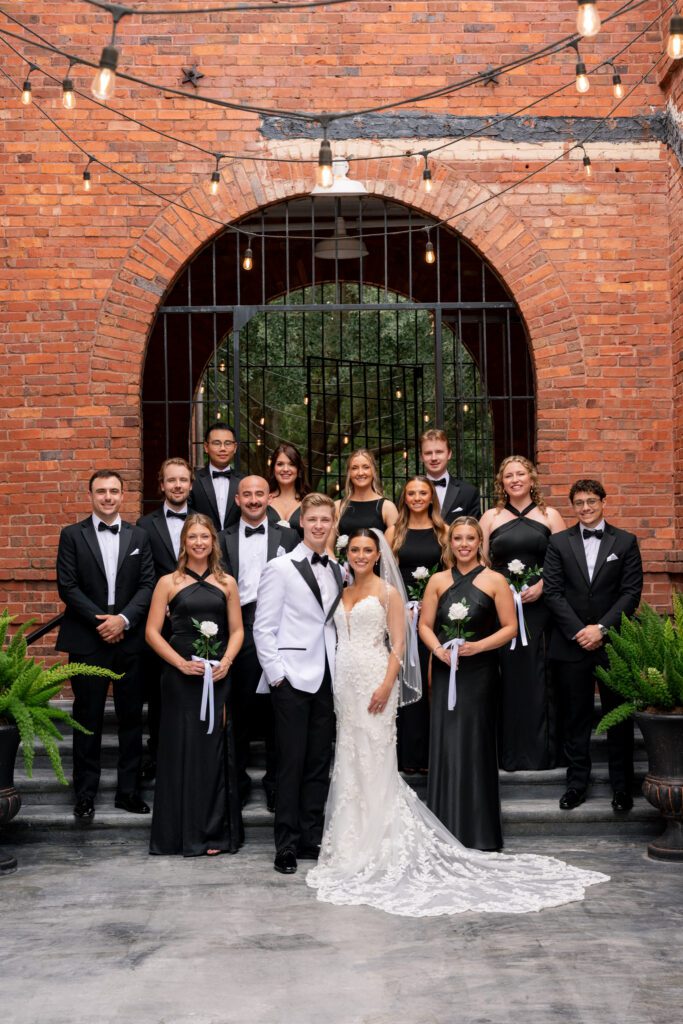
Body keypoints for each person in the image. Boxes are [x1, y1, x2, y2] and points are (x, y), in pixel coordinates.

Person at [307, 527, 609, 917]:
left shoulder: (389, 592)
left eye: (368, 549)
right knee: (350, 759)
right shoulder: (343, 592)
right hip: (346, 685)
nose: (361, 555)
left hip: (378, 679)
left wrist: (387, 685)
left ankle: (383, 840)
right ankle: (350, 841)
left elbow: (399, 644)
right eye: (355, 549)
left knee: (375, 757)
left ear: (378, 554)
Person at [55, 470, 156, 820]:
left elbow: (148, 584)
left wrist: (123, 620)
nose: (108, 497)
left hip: (129, 639)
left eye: (114, 491)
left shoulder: (139, 535)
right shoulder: (71, 535)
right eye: (102, 491)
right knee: (87, 719)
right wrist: (103, 621)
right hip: (88, 638)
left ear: (122, 495)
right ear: (91, 495)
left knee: (131, 719)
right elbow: (67, 587)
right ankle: (84, 794)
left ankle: (128, 793)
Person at [253, 492, 343, 875]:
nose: (320, 526)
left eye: (326, 520)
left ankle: (310, 838)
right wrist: (277, 677)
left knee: (318, 764)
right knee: (290, 763)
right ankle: (285, 845)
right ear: (302, 522)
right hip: (291, 677)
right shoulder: (281, 567)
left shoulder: (340, 568)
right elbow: (263, 627)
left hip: (329, 676)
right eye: (314, 520)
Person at [146, 513, 244, 856]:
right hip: (179, 677)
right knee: (181, 749)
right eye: (193, 537)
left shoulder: (227, 582)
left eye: (205, 537)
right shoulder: (168, 583)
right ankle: (180, 834)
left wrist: (227, 663)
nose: (199, 542)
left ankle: (214, 833)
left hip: (217, 676)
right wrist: (179, 664)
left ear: (213, 541)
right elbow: (152, 633)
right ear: (184, 542)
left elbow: (237, 631)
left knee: (213, 750)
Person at [543, 480, 643, 813]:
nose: (585, 508)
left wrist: (600, 629)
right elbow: (553, 592)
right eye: (579, 503)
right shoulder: (558, 542)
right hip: (571, 645)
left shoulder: (625, 542)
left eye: (591, 501)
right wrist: (579, 631)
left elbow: (631, 593)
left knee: (617, 719)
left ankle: (622, 788)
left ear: (603, 502)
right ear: (573, 506)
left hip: (612, 643)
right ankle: (576, 785)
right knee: (576, 718)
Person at [420, 517, 516, 851]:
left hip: (481, 672)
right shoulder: (436, 580)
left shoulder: (495, 581)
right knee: (446, 743)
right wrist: (437, 651)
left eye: (470, 538)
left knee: (475, 743)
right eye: (457, 538)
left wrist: (479, 646)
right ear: (450, 543)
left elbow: (510, 628)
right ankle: (445, 829)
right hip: (447, 669)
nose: (463, 544)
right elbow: (425, 625)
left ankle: (479, 831)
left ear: (479, 543)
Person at [479, 456, 566, 771]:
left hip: (539, 608)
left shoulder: (550, 516)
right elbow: (481, 563)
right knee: (505, 677)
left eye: (520, 474)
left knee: (538, 676)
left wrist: (542, 586)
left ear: (532, 479)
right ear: (501, 482)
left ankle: (542, 753)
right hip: (501, 611)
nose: (514, 480)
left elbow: (564, 562)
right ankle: (508, 754)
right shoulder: (490, 517)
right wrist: (500, 591)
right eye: (508, 476)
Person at [218, 475, 299, 810]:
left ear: (270, 498)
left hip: (280, 628)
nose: (253, 500)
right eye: (247, 495)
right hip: (240, 625)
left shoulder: (290, 536)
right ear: (237, 500)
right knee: (238, 709)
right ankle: (236, 783)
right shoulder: (222, 538)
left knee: (278, 709)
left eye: (259, 494)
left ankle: (275, 784)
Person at [137, 457, 194, 779]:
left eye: (183, 480)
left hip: (198, 620)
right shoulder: (145, 526)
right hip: (160, 622)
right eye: (171, 480)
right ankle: (157, 756)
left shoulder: (203, 521)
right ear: (162, 485)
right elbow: (143, 573)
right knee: (160, 693)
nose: (177, 486)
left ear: (190, 484)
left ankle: (192, 754)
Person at [385, 476, 447, 773]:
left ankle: (430, 756)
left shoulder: (443, 532)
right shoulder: (394, 532)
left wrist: (432, 606)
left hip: (435, 619)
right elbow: (383, 577)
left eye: (423, 492)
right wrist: (401, 608)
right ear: (404, 498)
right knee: (404, 682)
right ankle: (407, 756)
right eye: (412, 493)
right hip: (401, 618)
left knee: (432, 682)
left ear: (432, 497)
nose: (418, 497)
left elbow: (453, 574)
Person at [189, 421, 244, 532]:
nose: (222, 448)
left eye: (228, 443)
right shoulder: (193, 480)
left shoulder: (244, 481)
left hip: (236, 546)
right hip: (202, 545)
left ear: (235, 447)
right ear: (206, 447)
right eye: (217, 443)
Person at [335, 448, 398, 538]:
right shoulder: (338, 507)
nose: (360, 473)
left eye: (366, 467)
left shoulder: (387, 507)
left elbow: (394, 548)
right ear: (349, 473)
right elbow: (327, 548)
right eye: (354, 468)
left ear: (374, 471)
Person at [420, 428, 480, 522]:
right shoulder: (409, 493)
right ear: (421, 457)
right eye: (428, 453)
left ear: (449, 454)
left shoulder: (469, 493)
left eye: (439, 452)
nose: (434, 458)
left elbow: (473, 532)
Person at [267, 442, 311, 536]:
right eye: (280, 464)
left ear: (299, 470)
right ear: (273, 468)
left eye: (291, 464)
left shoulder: (309, 502)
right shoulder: (263, 500)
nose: (286, 469)